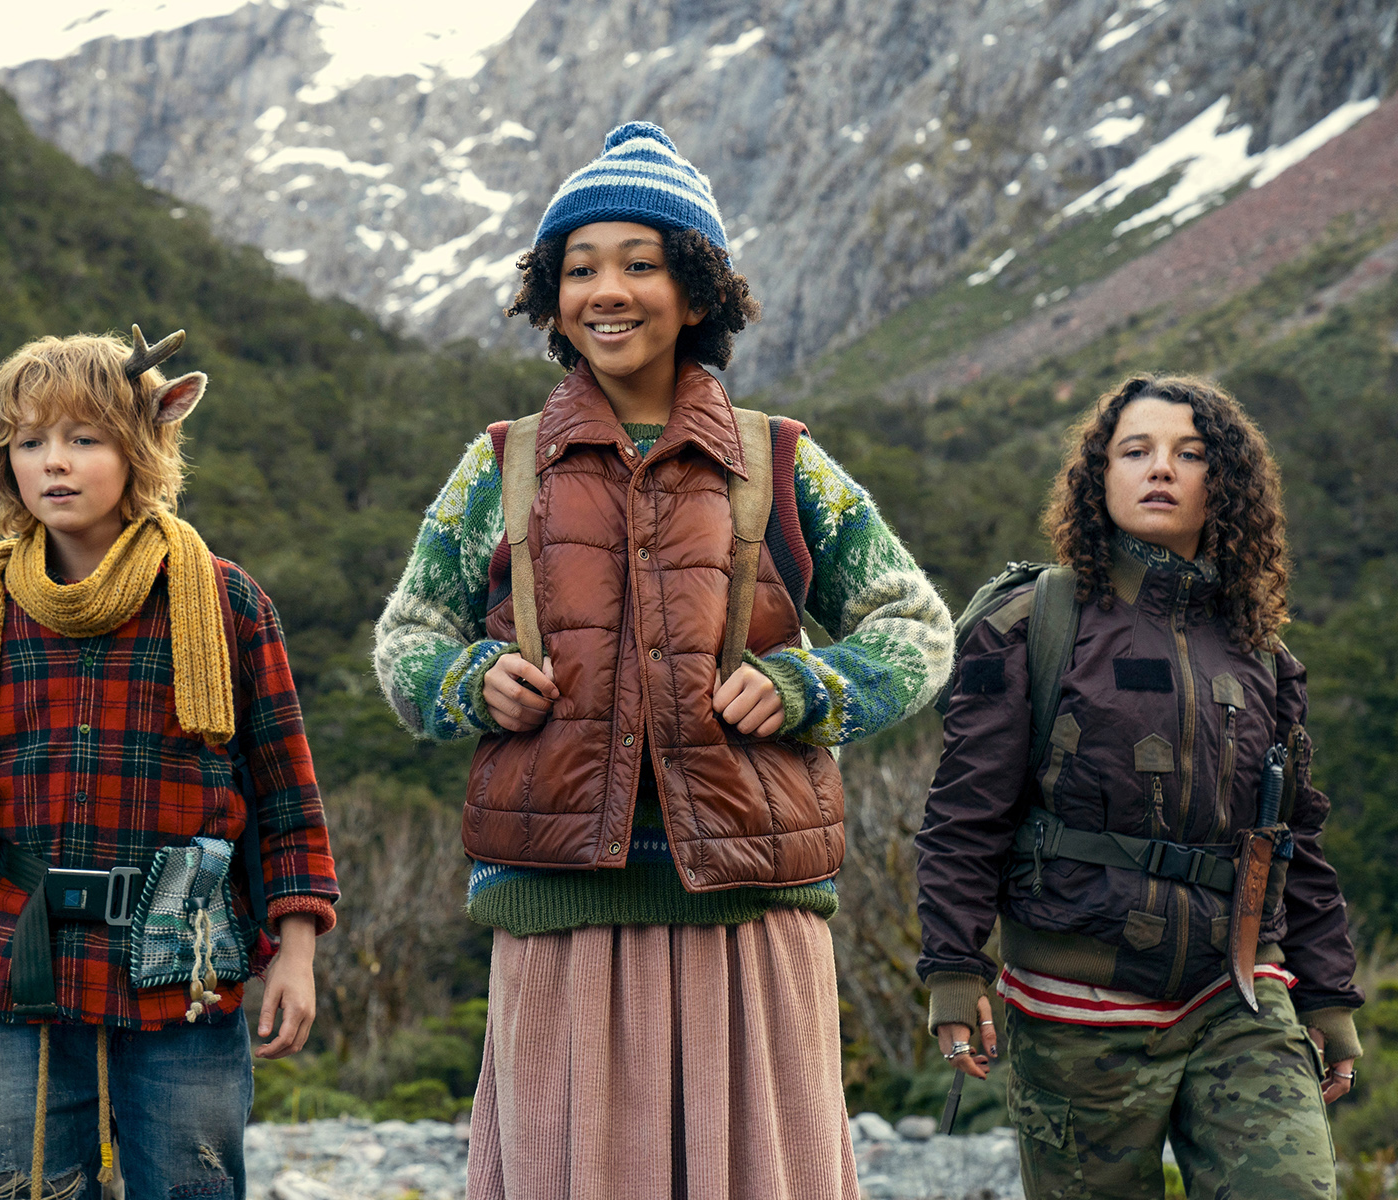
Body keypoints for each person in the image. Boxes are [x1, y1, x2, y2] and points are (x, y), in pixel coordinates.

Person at [373, 122, 954, 1198]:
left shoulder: (780, 462)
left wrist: (808, 686)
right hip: (560, 914)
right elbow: (408, 636)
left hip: (747, 911)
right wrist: (465, 685)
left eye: (640, 263)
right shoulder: (498, 469)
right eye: (580, 267)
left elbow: (916, 627)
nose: (609, 289)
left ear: (696, 290)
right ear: (549, 299)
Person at [0, 296, 339, 1200]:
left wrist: (299, 950)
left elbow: (285, 793)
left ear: (145, 442)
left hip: (187, 973)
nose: (55, 462)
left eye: (84, 438)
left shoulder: (227, 603)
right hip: (19, 970)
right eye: (29, 441)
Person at [915, 373, 1363, 1199]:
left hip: (1239, 997)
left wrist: (1329, 994)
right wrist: (953, 967)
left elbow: (1296, 836)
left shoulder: (1261, 652)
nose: (1162, 468)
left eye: (1190, 454)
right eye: (1137, 450)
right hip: (1074, 1010)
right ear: (1101, 475)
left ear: (1222, 484)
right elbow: (963, 816)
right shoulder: (1029, 622)